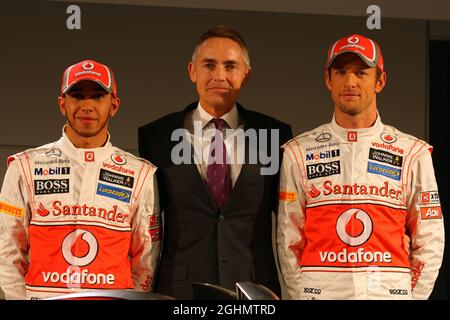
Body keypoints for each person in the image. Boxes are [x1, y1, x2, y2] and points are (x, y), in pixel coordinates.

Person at [277, 34, 445, 300]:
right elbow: (288, 237)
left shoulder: (412, 152)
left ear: (380, 81)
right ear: (328, 79)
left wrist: (412, 296)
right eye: (341, 72)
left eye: (361, 72)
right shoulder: (299, 151)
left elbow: (431, 236)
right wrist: (302, 295)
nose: (349, 82)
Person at [138, 25, 292, 299]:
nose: (219, 75)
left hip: (254, 290)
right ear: (192, 71)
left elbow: (287, 225)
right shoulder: (156, 136)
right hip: (179, 291)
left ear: (246, 75)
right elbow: (147, 227)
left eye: (231, 66)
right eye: (209, 65)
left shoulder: (274, 135)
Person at [0, 60, 161, 299]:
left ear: (114, 105)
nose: (87, 105)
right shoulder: (25, 166)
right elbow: (8, 251)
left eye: (97, 97)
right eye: (77, 95)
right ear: (62, 104)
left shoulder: (140, 173)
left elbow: (146, 258)